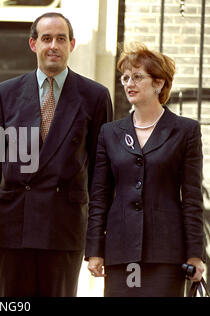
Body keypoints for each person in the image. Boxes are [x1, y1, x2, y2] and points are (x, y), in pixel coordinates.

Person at [0, 12, 113, 297]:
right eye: (46, 39)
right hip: (14, 225)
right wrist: (13, 198)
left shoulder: (95, 96)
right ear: (33, 44)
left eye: (61, 39)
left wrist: (96, 240)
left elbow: (100, 173)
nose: (53, 45)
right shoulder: (6, 93)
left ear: (72, 44)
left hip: (64, 227)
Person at [85, 42, 205, 297]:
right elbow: (99, 196)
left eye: (138, 77)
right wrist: (95, 249)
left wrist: (196, 253)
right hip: (121, 250)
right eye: (125, 77)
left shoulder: (185, 131)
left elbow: (192, 198)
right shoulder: (110, 133)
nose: (129, 83)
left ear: (159, 84)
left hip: (165, 253)